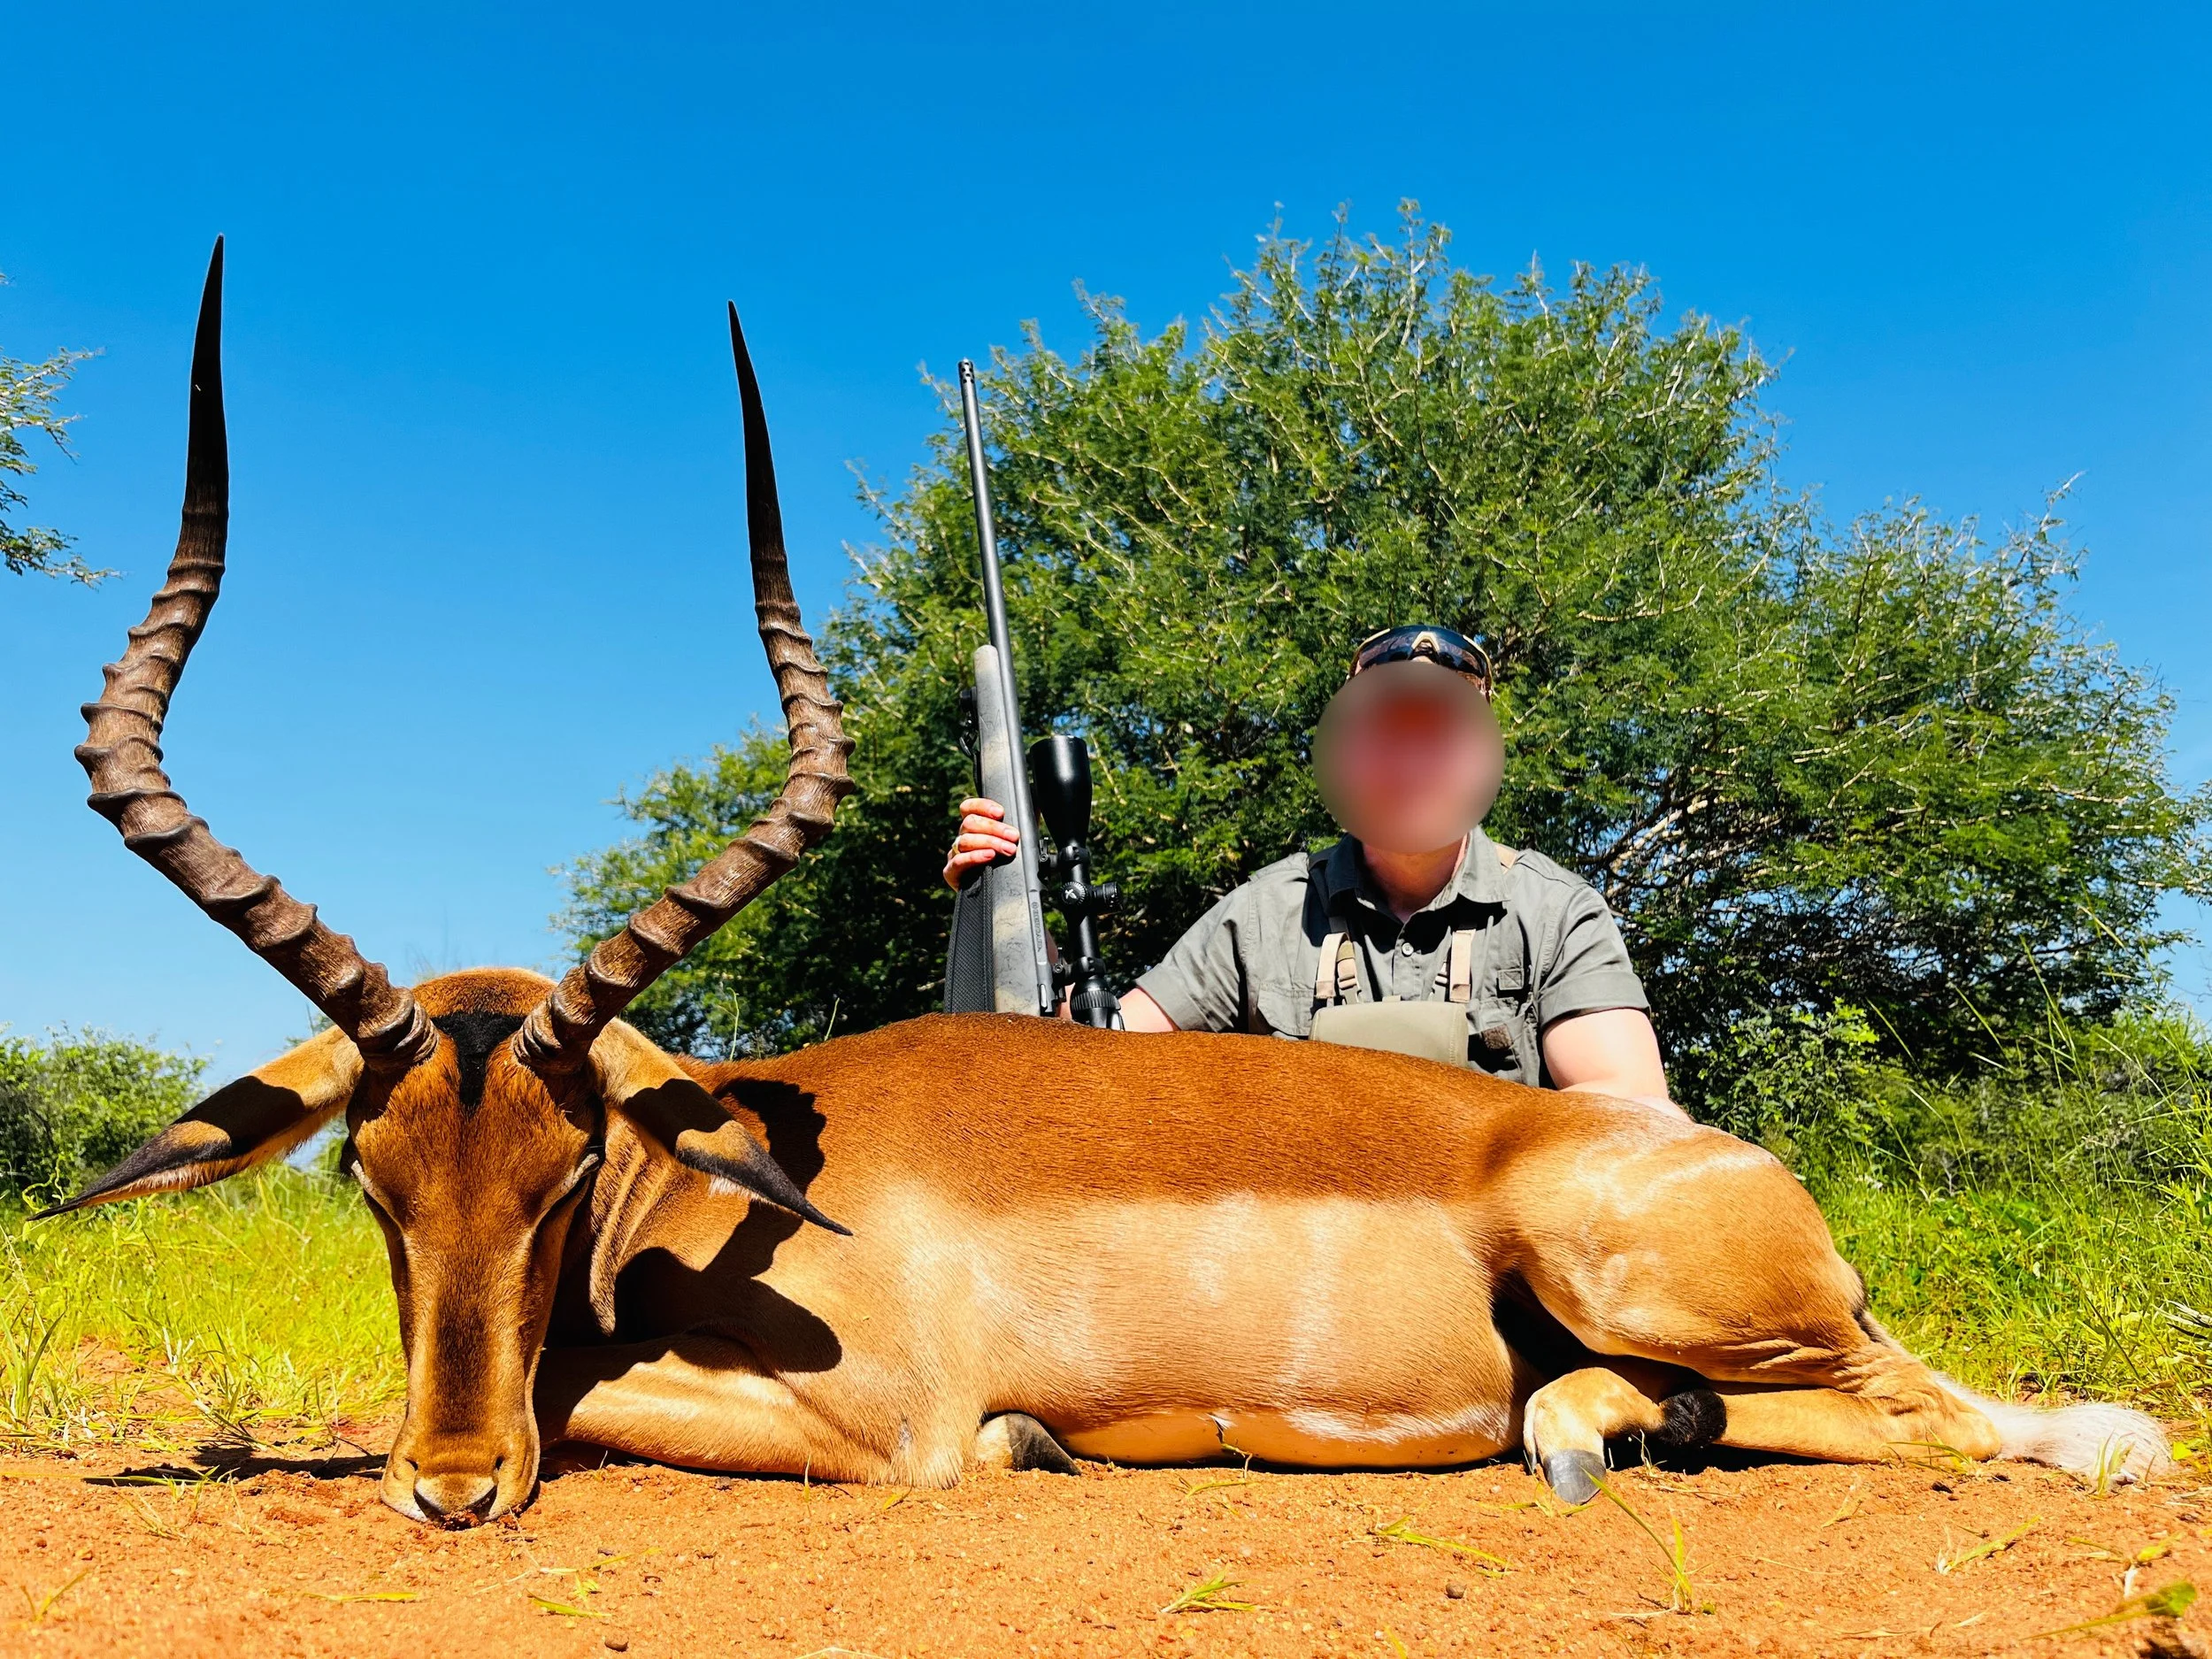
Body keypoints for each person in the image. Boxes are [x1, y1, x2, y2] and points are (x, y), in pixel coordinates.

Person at [943, 624, 1678, 1113]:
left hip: (1497, 1267)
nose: (1411, 762)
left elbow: (1631, 1108)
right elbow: (1094, 1058)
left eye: (1439, 737)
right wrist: (1009, 900)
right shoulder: (1263, 913)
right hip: (1311, 1285)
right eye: (1386, 735)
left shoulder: (1554, 909)